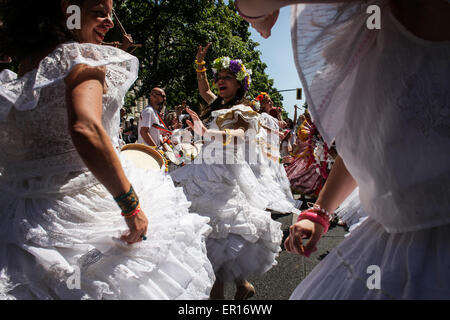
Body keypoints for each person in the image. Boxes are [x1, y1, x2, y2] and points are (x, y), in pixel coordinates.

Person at [0, 0, 215, 299]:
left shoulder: (27, 66)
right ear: (67, 7)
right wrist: (131, 206)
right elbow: (86, 128)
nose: (110, 21)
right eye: (100, 11)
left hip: (20, 218)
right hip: (84, 213)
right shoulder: (84, 58)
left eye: (110, 13)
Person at [237, 0, 450, 299]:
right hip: (397, 247)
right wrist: (320, 212)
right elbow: (371, 140)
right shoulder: (382, 31)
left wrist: (257, 15)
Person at [170, 44, 283, 300]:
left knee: (215, 236)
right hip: (201, 170)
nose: (220, 81)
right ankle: (242, 285)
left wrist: (206, 132)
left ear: (240, 83)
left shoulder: (245, 111)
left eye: (227, 78)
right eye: (218, 77)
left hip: (223, 175)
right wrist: (200, 64)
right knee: (216, 236)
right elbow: (204, 89)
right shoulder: (216, 103)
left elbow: (238, 136)